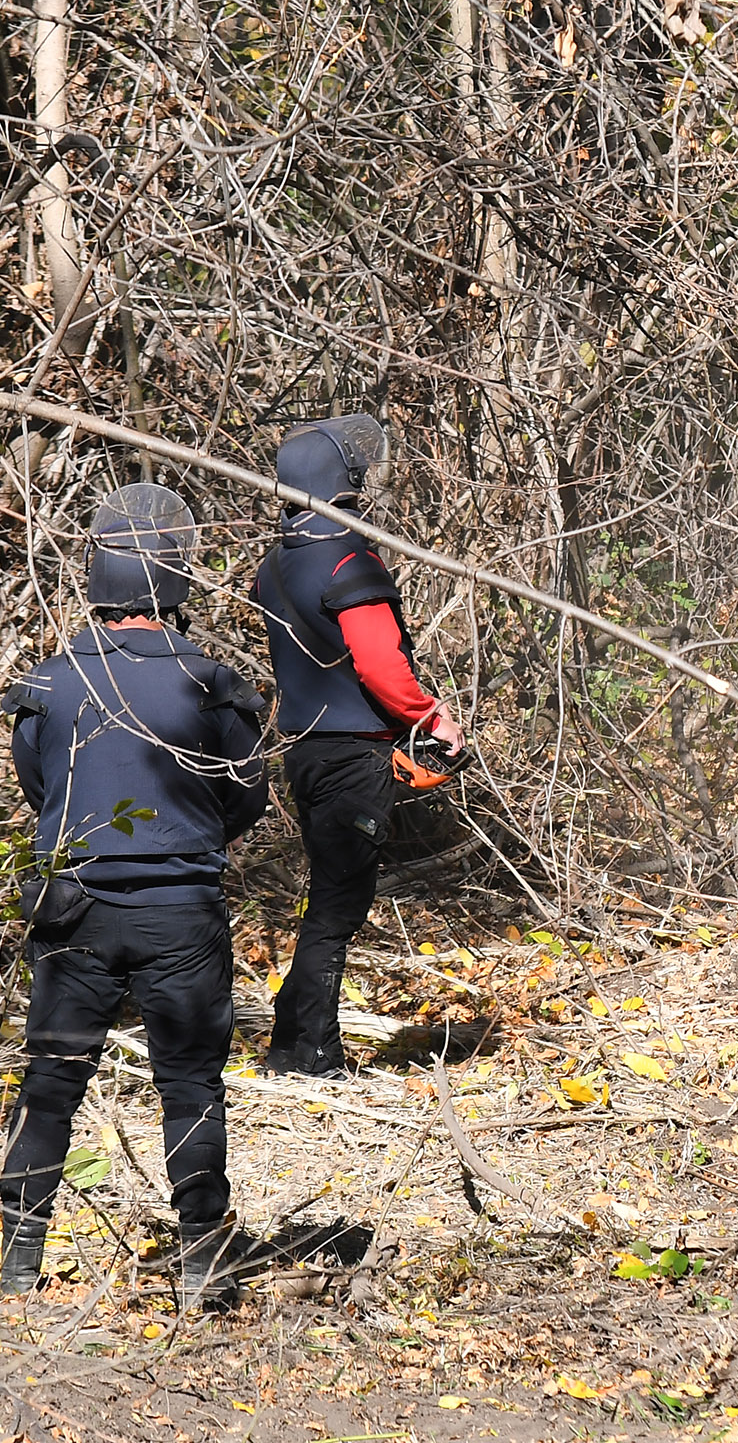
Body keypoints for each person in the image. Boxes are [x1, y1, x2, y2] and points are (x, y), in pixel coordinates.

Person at [0, 484, 268, 1310]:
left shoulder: (49, 681)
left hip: (72, 907)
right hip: (181, 909)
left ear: (96, 580)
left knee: (52, 1077)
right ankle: (201, 1267)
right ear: (176, 581)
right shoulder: (212, 683)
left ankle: (17, 1265)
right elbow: (245, 794)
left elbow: (37, 787)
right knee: (190, 1083)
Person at [252, 416, 465, 1077]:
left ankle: (297, 1043)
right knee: (338, 910)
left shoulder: (274, 563)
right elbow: (377, 661)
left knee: (327, 903)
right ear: (340, 479)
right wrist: (434, 718)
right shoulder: (347, 553)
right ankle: (307, 1054)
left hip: (305, 752)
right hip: (351, 758)